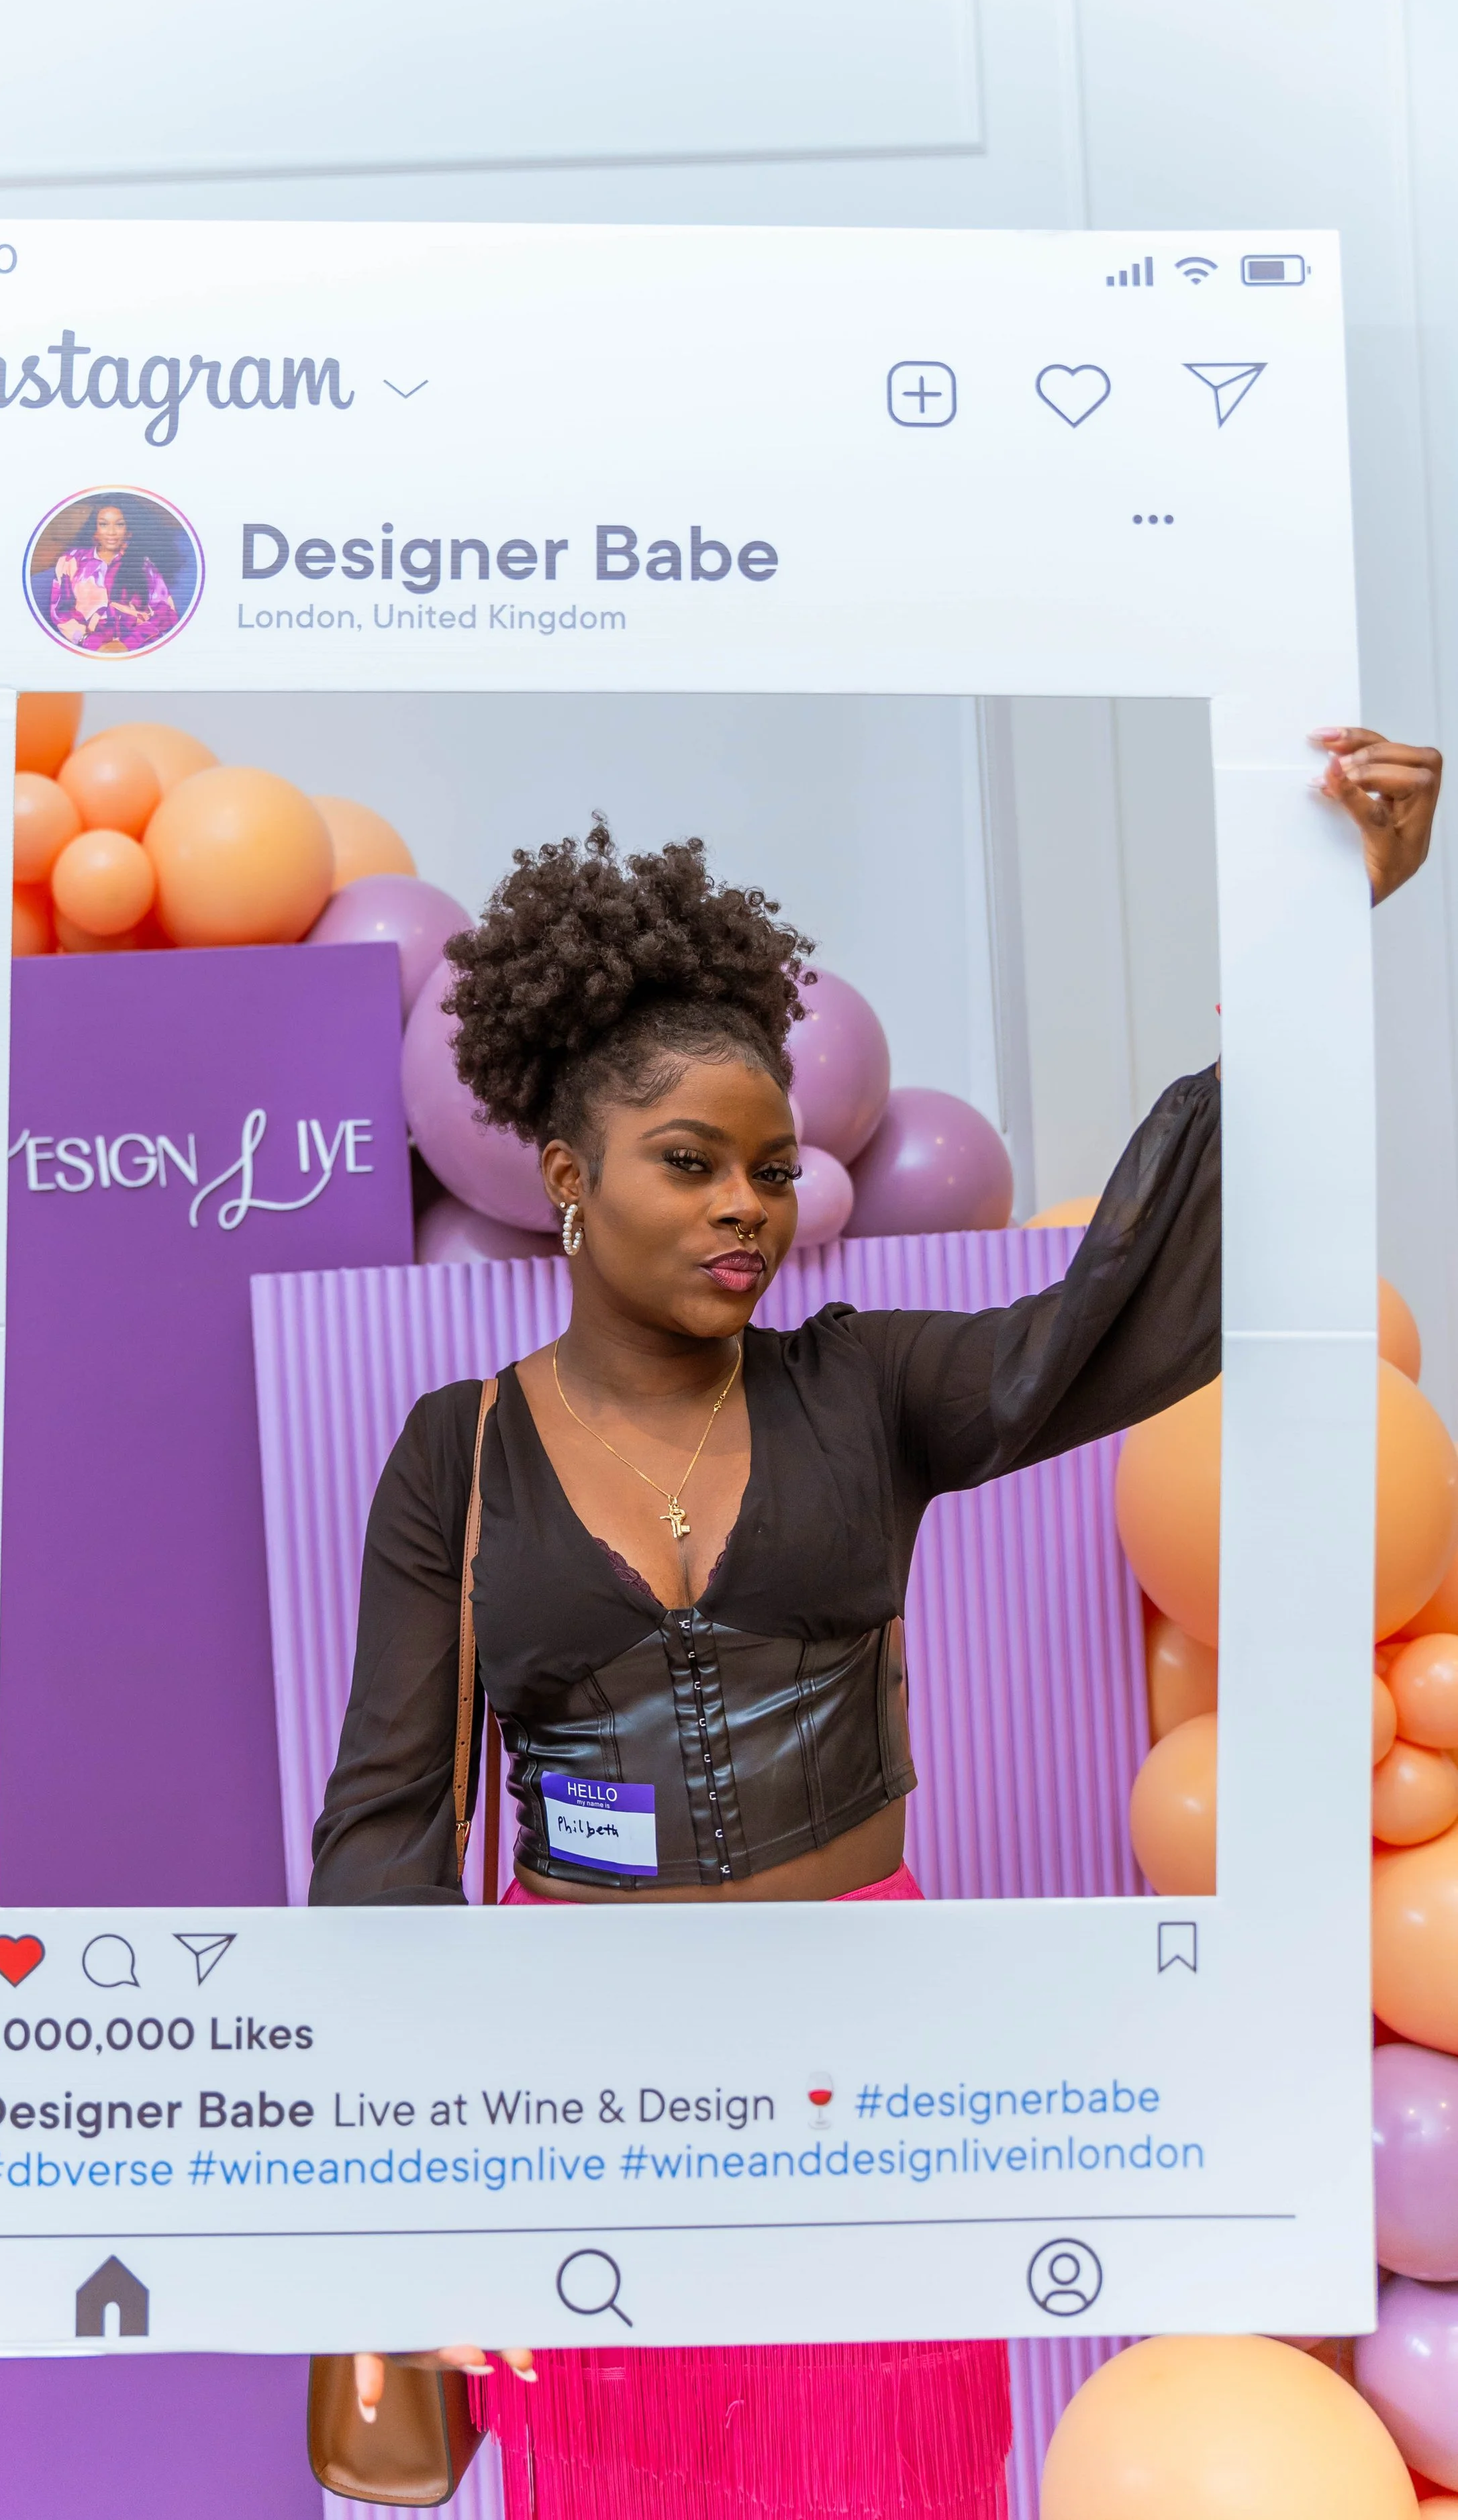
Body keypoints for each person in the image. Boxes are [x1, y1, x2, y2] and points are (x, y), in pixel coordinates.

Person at [309, 729, 1439, 2520]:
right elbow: (386, 1836)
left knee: (887, 2472)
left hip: (873, 2072)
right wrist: (412, 2204)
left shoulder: (869, 1386)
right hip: (589, 2092)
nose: (744, 1207)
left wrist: (1302, 955)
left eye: (766, 1165)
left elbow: (1129, 1304)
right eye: (688, 1159)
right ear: (563, 1168)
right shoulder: (454, 1455)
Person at [47, 500, 177, 652]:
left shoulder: (144, 565)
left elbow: (167, 612)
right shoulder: (70, 562)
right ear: (95, 530)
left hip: (139, 647)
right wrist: (91, 643)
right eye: (104, 524)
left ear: (129, 531)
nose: (111, 532)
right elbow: (61, 613)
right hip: (88, 648)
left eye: (119, 524)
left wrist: (128, 643)